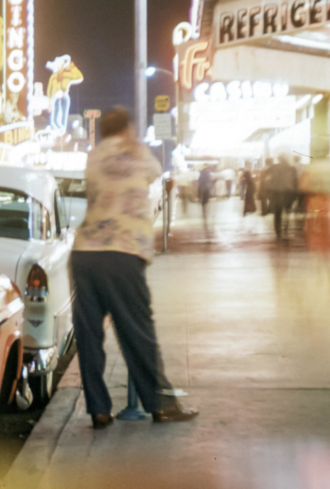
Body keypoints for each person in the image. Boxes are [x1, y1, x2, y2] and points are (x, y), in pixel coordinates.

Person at [72, 107, 198, 429]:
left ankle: (99, 410)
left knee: (88, 335)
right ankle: (162, 405)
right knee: (137, 331)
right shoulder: (138, 153)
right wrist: (133, 141)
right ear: (127, 128)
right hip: (122, 251)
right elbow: (157, 172)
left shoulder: (94, 156)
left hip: (85, 251)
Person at [267, 155, 299, 239]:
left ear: (279, 159)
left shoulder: (274, 167)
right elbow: (295, 181)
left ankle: (278, 231)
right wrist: (295, 194)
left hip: (277, 192)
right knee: (287, 210)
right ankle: (286, 227)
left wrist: (270, 192)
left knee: (277, 212)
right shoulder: (292, 169)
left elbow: (269, 180)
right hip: (288, 192)